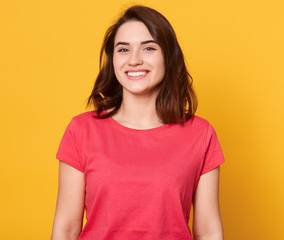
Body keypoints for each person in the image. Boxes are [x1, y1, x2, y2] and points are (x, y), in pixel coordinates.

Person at [51, 5, 225, 240]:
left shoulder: (200, 134)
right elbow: (66, 229)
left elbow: (208, 232)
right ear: (113, 60)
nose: (134, 60)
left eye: (148, 48)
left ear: (168, 57)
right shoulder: (81, 130)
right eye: (123, 49)